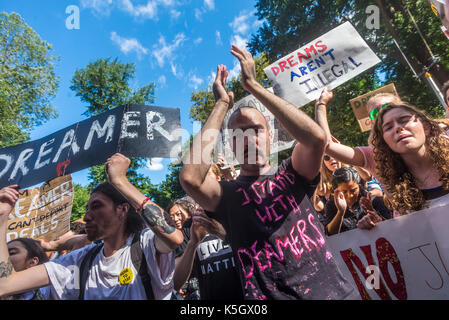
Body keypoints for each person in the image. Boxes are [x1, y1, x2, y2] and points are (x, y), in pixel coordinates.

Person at [180, 45, 357, 300]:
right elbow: (190, 177)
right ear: (230, 144)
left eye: (256, 130)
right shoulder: (225, 195)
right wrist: (221, 105)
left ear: (271, 135)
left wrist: (254, 86)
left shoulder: (293, 171)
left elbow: (317, 138)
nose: (248, 138)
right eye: (238, 134)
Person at [0, 153, 183, 300]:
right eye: (87, 209)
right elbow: (5, 285)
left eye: (96, 207)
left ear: (123, 209)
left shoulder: (144, 245)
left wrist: (120, 181)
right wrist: (2, 218)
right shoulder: (80, 261)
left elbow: (173, 236)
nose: (86, 217)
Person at [367, 102, 449, 216]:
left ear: (425, 127)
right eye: (389, 127)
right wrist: (378, 225)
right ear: (385, 142)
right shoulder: (397, 188)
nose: (398, 128)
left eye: (404, 120)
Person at [314, 87, 403, 180]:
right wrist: (321, 104)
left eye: (387, 106)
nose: (382, 113)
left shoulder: (417, 133)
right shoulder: (372, 155)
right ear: (371, 123)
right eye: (374, 113)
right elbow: (328, 146)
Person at [324, 167, 391, 235]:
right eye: (344, 192)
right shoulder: (331, 205)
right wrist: (340, 212)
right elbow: (330, 234)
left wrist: (373, 213)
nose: (350, 195)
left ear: (359, 186)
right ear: (336, 191)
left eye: (353, 190)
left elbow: (390, 226)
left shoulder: (371, 200)